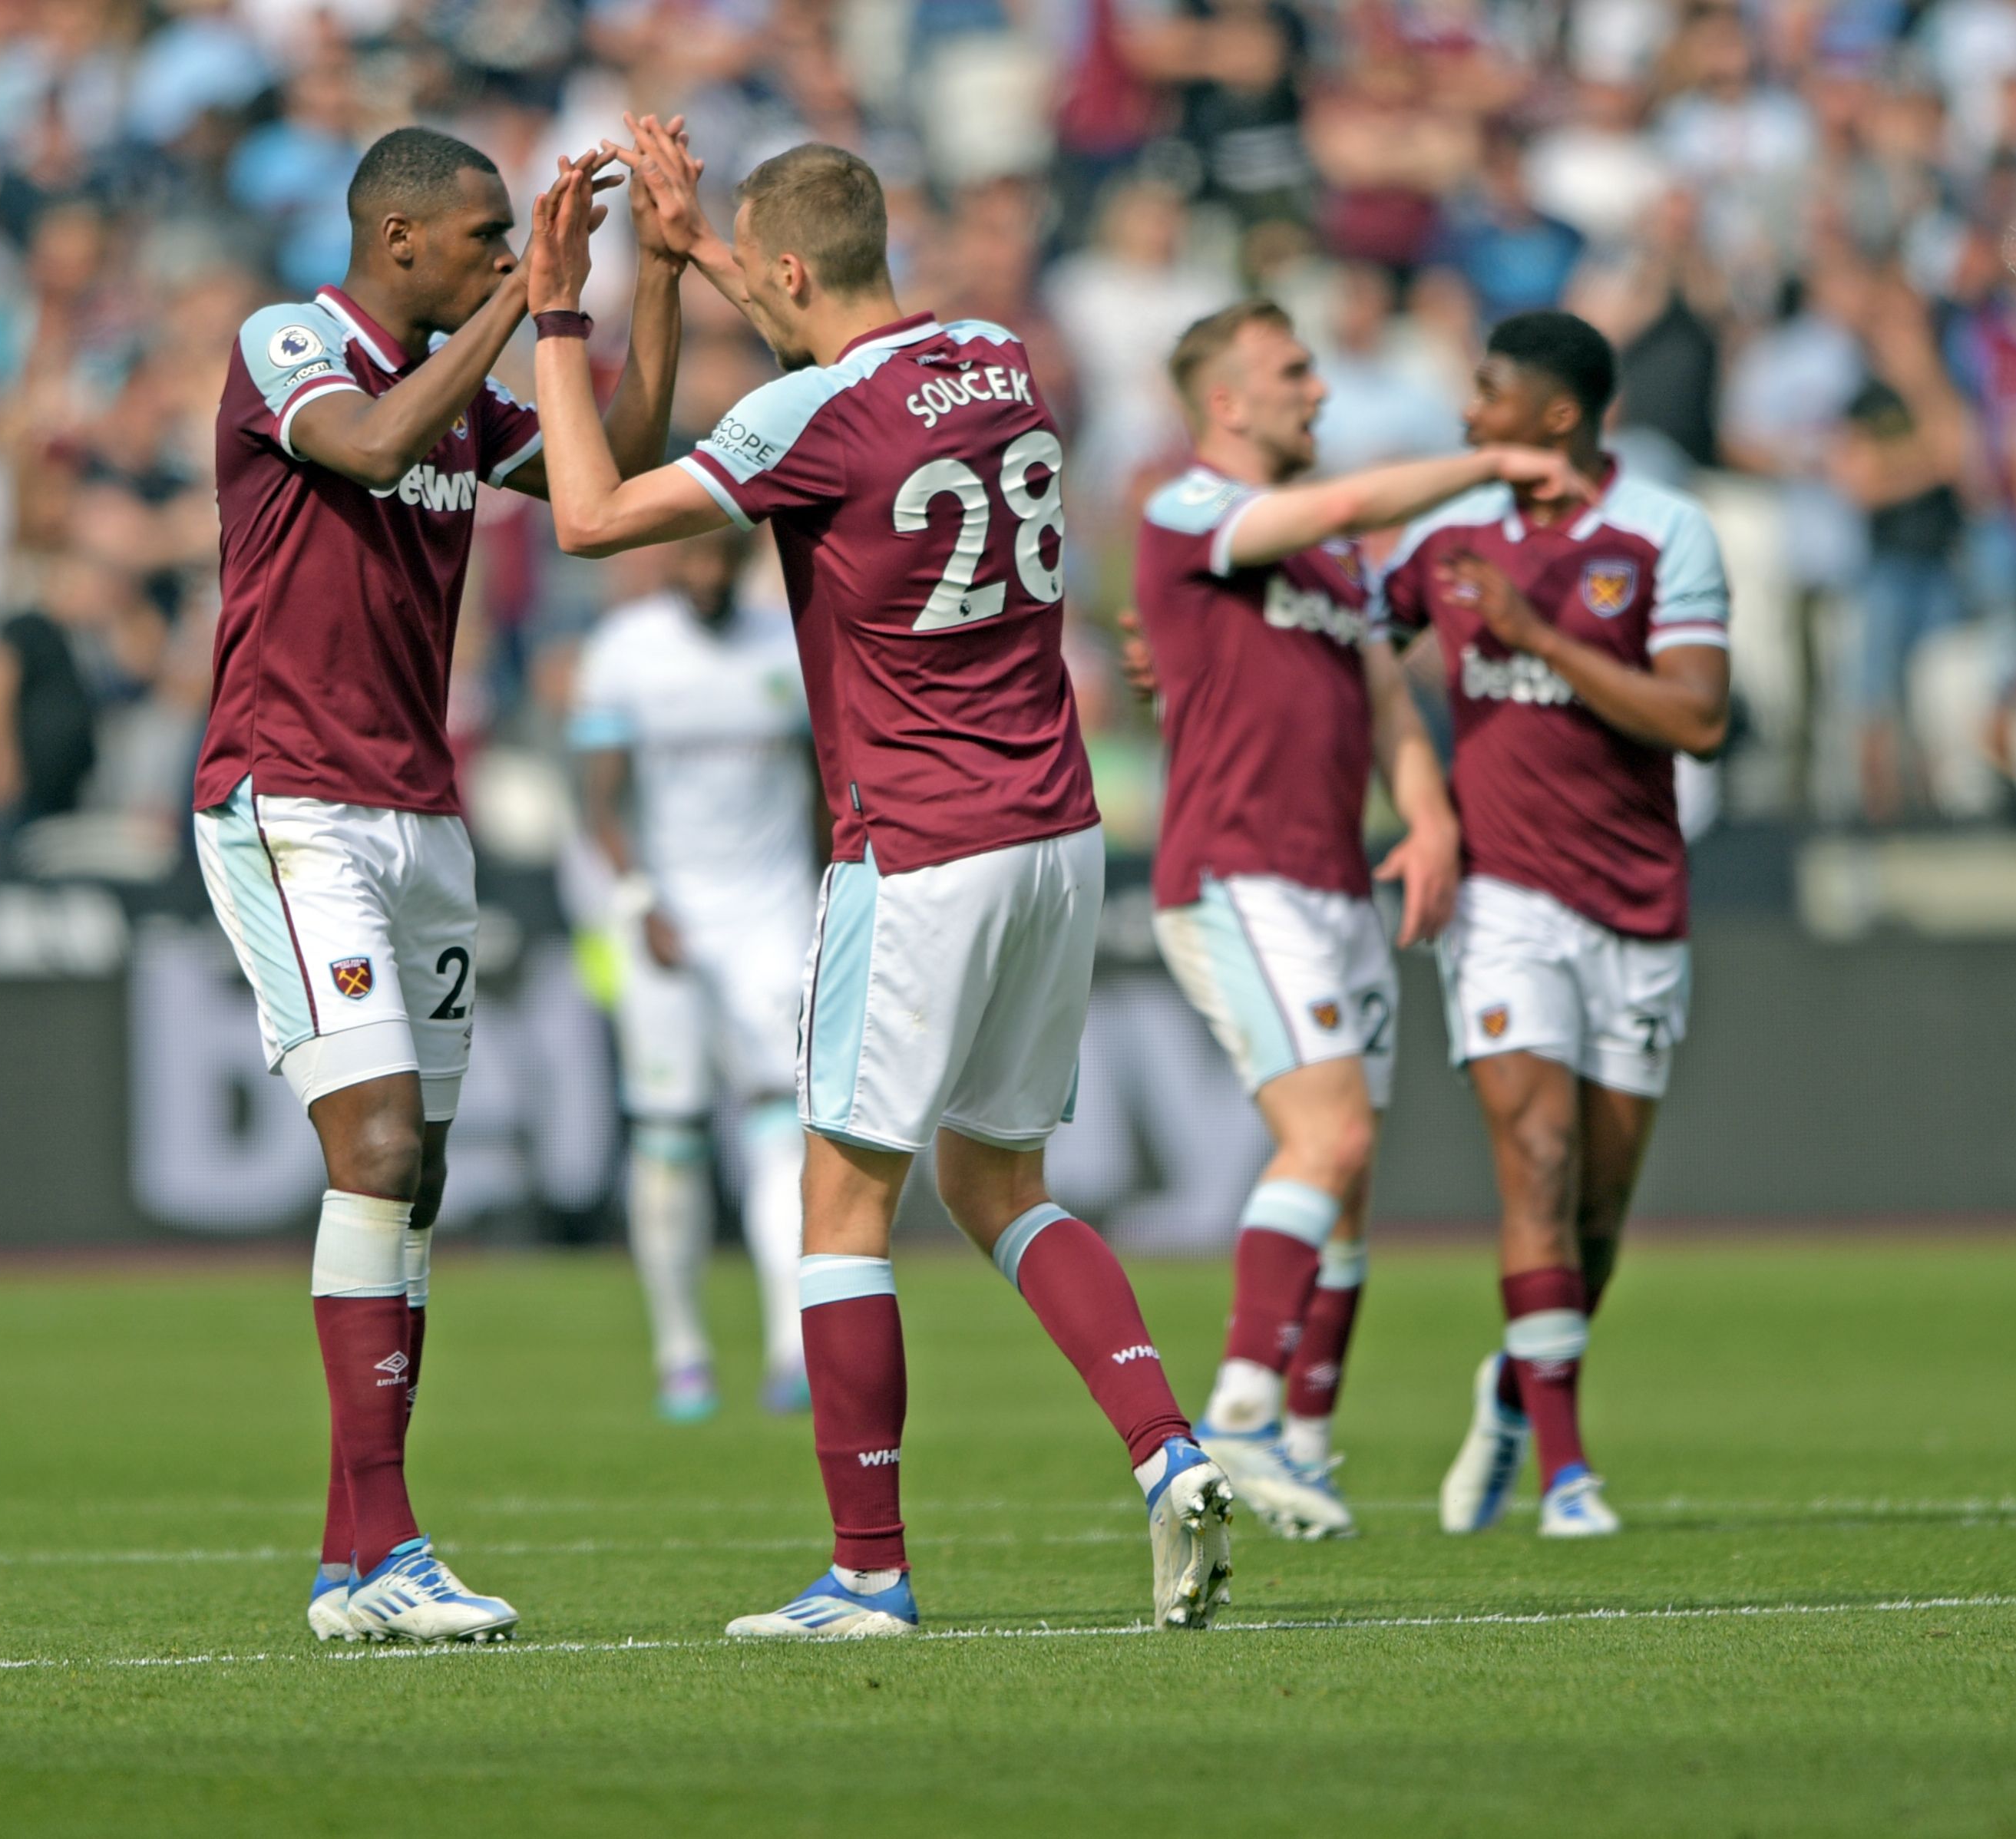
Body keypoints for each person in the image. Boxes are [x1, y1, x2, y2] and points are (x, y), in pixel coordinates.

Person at [522, 121, 1233, 1639]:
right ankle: (1166, 1445)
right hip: (1056, 831)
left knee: (839, 1203)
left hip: (916, 846)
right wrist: (697, 245)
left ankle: (867, 1571)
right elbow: (826, 326)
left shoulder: (809, 416)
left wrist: (566, 318)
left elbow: (588, 516)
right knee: (1000, 1180)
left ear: (784, 269)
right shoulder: (998, 355)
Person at [189, 124, 685, 1644]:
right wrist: (523, 304)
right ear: (398, 239)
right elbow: (368, 443)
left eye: (503, 241)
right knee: (381, 1142)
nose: (494, 258)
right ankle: (390, 1546)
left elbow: (634, 451)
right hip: (291, 804)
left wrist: (651, 274)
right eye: (477, 238)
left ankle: (352, 1570)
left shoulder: (465, 394)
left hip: (425, 814)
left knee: (424, 1179)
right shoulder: (292, 343)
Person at [1129, 299, 1584, 1539]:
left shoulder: (1327, 571)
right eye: (1291, 373)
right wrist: (1484, 465)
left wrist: (1426, 817)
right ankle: (1233, 1412)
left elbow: (1383, 688)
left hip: (1333, 880)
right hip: (1234, 873)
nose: (1316, 392)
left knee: (1349, 1178)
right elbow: (1334, 508)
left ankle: (1306, 1445)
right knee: (1320, 1140)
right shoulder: (1185, 507)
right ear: (1224, 401)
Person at [1375, 311, 1732, 1540]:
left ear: (1557, 416)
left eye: (1487, 393)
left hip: (1635, 900)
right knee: (1532, 1162)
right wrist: (1420, 803)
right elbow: (1346, 646)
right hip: (1501, 898)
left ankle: (1521, 1381)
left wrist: (1538, 640)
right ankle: (1568, 1475)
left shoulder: (1663, 535)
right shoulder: (1446, 535)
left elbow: (1693, 718)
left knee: (1596, 1215)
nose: (1467, 413)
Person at [568, 525, 818, 1423]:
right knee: (669, 1137)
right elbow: (597, 796)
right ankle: (681, 1350)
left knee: (780, 1126)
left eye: (725, 559)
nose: (709, 575)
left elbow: (824, 783)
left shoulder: (785, 644)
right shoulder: (626, 652)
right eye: (695, 560)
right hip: (665, 916)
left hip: (773, 915)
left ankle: (793, 1345)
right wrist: (638, 898)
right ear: (671, 561)